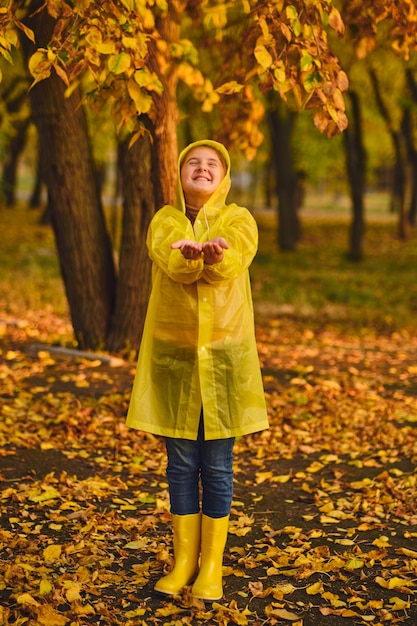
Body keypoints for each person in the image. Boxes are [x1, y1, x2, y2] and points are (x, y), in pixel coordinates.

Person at [126, 139, 269, 601]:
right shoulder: (165, 220)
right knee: (181, 463)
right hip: (175, 359)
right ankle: (183, 559)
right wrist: (188, 257)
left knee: (218, 465)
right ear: (180, 172)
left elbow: (234, 259)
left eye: (212, 164)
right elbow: (170, 258)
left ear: (223, 177)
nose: (203, 169)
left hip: (225, 361)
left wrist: (215, 255)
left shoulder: (238, 219)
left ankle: (212, 566)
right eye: (194, 162)